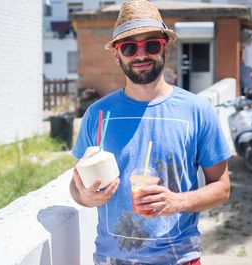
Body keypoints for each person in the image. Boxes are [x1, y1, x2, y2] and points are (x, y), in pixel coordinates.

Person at [69, 1, 232, 264]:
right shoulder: (98, 115)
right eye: (130, 47)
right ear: (116, 54)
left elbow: (222, 188)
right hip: (112, 259)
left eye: (152, 45)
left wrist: (177, 202)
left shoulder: (197, 111)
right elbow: (76, 185)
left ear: (165, 48)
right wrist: (85, 197)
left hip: (179, 258)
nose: (141, 55)